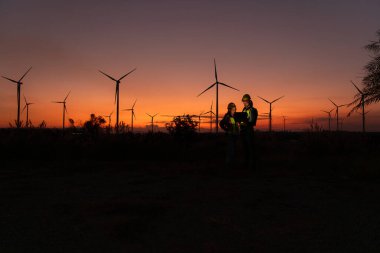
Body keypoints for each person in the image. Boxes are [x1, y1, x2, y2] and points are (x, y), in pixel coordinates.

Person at [240, 94, 258, 169]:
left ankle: (252, 165)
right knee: (245, 149)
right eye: (243, 101)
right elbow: (242, 119)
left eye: (245, 101)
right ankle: (246, 164)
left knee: (250, 148)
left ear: (249, 101)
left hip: (249, 132)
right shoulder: (243, 110)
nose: (244, 102)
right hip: (243, 132)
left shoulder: (253, 110)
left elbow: (253, 122)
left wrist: (245, 123)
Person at [219, 102, 239, 168]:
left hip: (236, 135)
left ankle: (233, 164)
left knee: (235, 149)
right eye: (232, 108)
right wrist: (226, 130)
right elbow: (221, 123)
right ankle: (228, 164)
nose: (234, 110)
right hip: (230, 135)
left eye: (234, 108)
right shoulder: (227, 116)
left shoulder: (236, 116)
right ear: (229, 109)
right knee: (230, 149)